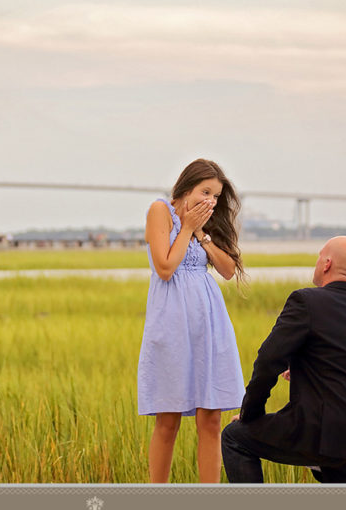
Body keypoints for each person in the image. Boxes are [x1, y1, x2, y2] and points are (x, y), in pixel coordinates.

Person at [221, 236, 346, 483]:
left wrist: (250, 414)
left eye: (318, 256)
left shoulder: (306, 301)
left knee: (235, 437)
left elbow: (268, 360)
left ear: (326, 264)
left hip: (320, 435)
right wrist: (306, 369)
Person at [138, 158, 247, 483]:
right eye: (205, 191)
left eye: (216, 195)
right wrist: (185, 227)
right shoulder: (160, 210)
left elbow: (228, 270)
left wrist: (202, 232)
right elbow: (165, 268)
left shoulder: (207, 222)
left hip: (209, 321)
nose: (211, 201)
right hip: (171, 321)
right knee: (167, 418)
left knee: (210, 419)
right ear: (187, 185)